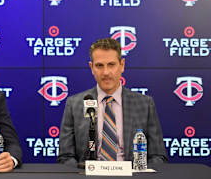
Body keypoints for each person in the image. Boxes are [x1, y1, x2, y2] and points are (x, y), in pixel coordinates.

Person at [57, 38, 167, 166]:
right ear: (91, 68)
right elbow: (65, 157)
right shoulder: (75, 104)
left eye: (111, 64)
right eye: (99, 66)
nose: (106, 72)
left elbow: (158, 156)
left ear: (122, 65)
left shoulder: (144, 104)